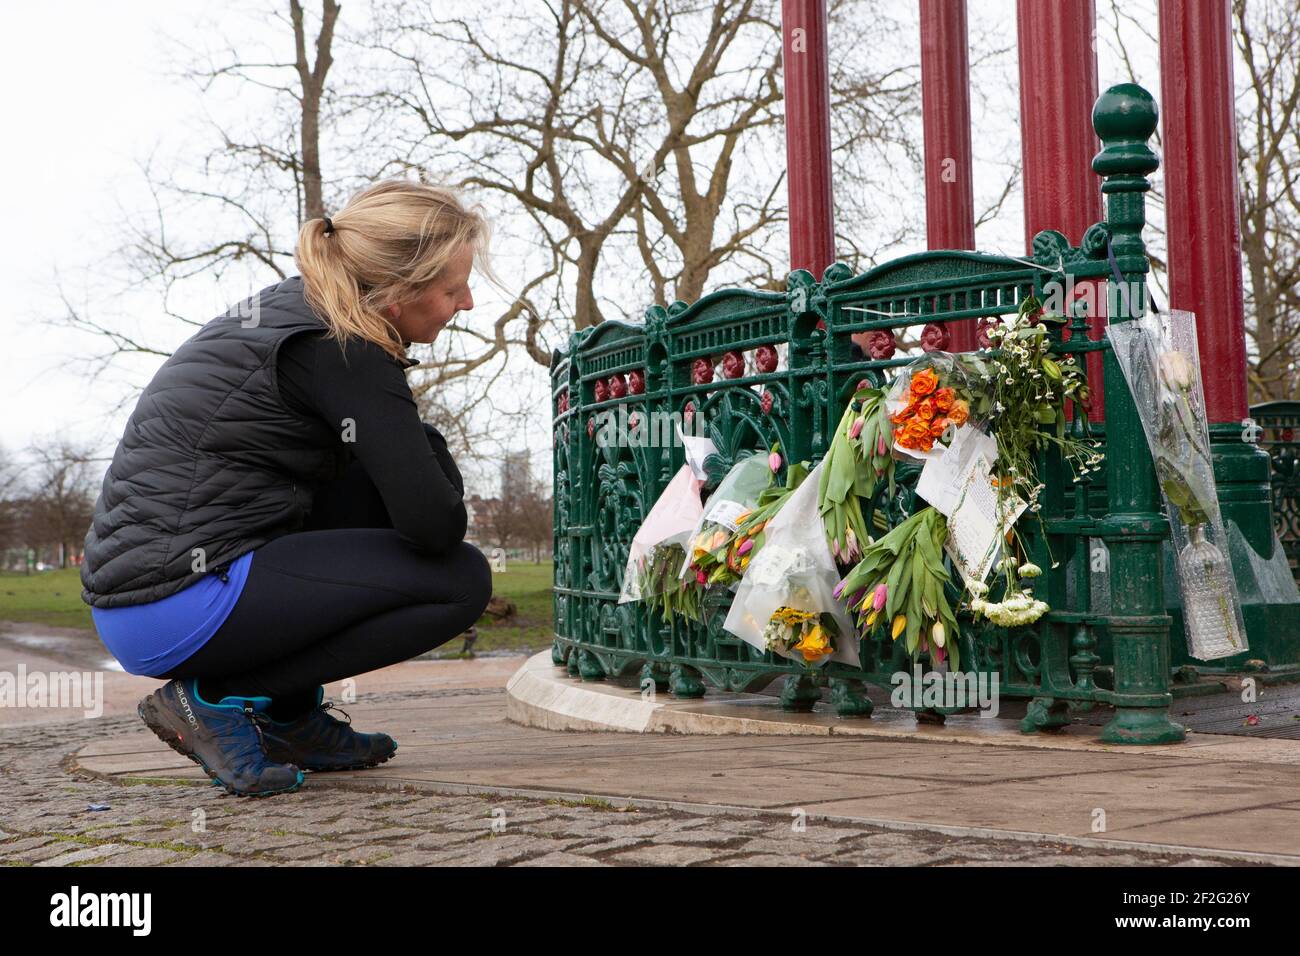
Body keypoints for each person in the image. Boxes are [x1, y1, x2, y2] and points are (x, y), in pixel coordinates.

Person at [80, 179, 496, 797]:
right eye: (451, 287)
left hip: (144, 599)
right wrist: (417, 433)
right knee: (460, 579)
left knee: (357, 498)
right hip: (173, 600)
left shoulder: (296, 312)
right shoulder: (341, 345)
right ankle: (214, 699)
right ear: (399, 293)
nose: (466, 302)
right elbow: (433, 522)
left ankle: (288, 717)